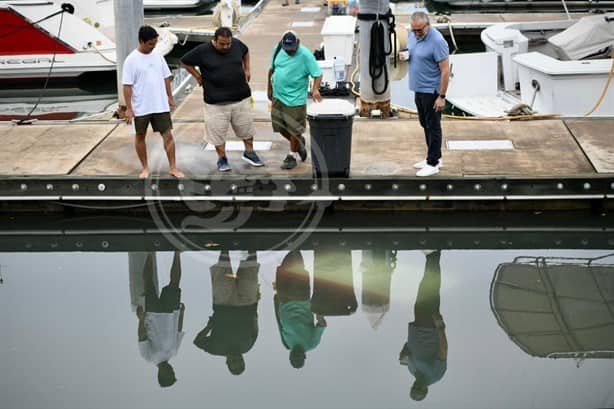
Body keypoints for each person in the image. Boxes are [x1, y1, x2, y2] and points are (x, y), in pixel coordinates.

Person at [181, 27, 263, 172]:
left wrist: (247, 69)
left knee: (247, 129)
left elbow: (245, 51)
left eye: (228, 44)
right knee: (217, 133)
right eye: (222, 44)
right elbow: (185, 61)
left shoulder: (237, 44)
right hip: (215, 103)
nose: (226, 47)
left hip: (241, 98)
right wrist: (197, 76)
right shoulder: (202, 51)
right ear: (214, 40)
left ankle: (249, 152)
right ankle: (222, 158)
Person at [122, 25, 184, 179]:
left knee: (168, 135)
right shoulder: (131, 60)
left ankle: (173, 168)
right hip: (141, 106)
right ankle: (145, 168)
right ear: (141, 41)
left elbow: (166, 78)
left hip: (160, 104)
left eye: (155, 43)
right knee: (140, 136)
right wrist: (129, 108)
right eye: (150, 44)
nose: (153, 46)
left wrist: (170, 97)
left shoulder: (158, 56)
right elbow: (127, 86)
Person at [193, 250, 260, 375]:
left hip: (223, 303)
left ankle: (225, 242)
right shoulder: (247, 347)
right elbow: (255, 329)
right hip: (247, 303)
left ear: (227, 362)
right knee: (250, 266)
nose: (236, 359)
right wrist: (255, 307)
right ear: (243, 360)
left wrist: (209, 327)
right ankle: (251, 240)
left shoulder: (216, 349)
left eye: (233, 362)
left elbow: (198, 342)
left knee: (223, 264)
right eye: (240, 361)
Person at [267, 30, 322, 170]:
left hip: (296, 99)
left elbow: (318, 74)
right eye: (287, 49)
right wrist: (269, 88)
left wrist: (315, 89)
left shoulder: (305, 55)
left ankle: (292, 155)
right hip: (278, 96)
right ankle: (299, 142)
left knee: (294, 129)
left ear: (298, 43)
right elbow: (271, 69)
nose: (290, 51)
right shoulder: (278, 48)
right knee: (279, 127)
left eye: (292, 48)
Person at [405, 11, 450, 177]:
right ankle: (433, 157)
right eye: (414, 30)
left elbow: (445, 71)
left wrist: (442, 96)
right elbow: (414, 52)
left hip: (432, 91)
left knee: (433, 126)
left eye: (419, 30)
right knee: (425, 124)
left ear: (428, 25)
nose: (416, 33)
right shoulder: (412, 35)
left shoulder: (437, 41)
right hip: (418, 89)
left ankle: (433, 163)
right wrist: (406, 56)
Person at [399, 250, 447, 401]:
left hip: (417, 323)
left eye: (414, 387)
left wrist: (403, 355)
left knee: (424, 288)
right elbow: (443, 351)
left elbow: (408, 348)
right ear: (425, 390)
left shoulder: (412, 371)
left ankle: (432, 257)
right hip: (429, 327)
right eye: (419, 389)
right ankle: (433, 255)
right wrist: (440, 327)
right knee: (430, 288)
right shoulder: (435, 375)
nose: (417, 386)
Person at [136, 251, 185, 388]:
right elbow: (179, 331)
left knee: (148, 284)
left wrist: (141, 319)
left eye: (170, 374)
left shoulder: (149, 357)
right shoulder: (174, 352)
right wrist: (181, 313)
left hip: (152, 314)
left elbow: (142, 337)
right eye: (173, 373)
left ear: (161, 375)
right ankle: (177, 253)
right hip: (170, 313)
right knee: (175, 283)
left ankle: (150, 252)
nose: (172, 371)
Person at [273, 251, 326, 369]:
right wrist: (319, 312)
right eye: (299, 358)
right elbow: (322, 325)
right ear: (304, 356)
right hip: (300, 297)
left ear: (290, 356)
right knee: (297, 263)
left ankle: (291, 242)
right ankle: (297, 241)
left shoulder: (287, 344)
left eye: (293, 358)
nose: (296, 356)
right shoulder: (311, 344)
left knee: (284, 266)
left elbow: (279, 323)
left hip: (283, 299)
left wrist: (276, 302)